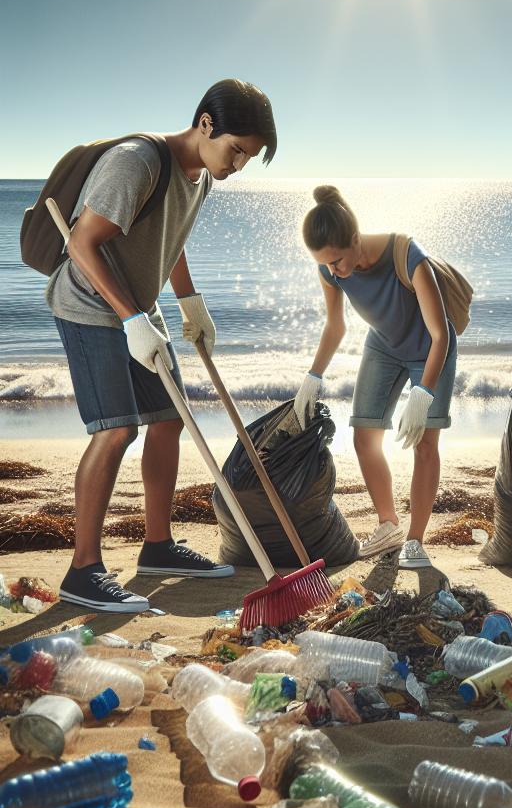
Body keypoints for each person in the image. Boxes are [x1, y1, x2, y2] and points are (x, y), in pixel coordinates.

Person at [47, 79, 277, 612]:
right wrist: (131, 319)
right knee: (117, 430)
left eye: (248, 157)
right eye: (235, 150)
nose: (237, 165)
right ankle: (82, 570)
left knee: (170, 418)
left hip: (138, 305)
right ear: (204, 125)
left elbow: (170, 238)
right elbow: (82, 242)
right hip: (90, 304)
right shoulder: (137, 163)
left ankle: (157, 547)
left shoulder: (201, 175)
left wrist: (191, 304)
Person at [295, 186, 456, 569]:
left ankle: (415, 540)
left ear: (354, 239)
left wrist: (423, 394)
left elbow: (441, 335)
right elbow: (336, 326)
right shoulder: (329, 270)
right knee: (364, 435)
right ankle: (389, 525)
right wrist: (313, 375)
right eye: (326, 265)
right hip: (382, 347)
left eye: (337, 260)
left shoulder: (406, 255)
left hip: (429, 352)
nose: (334, 271)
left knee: (424, 443)